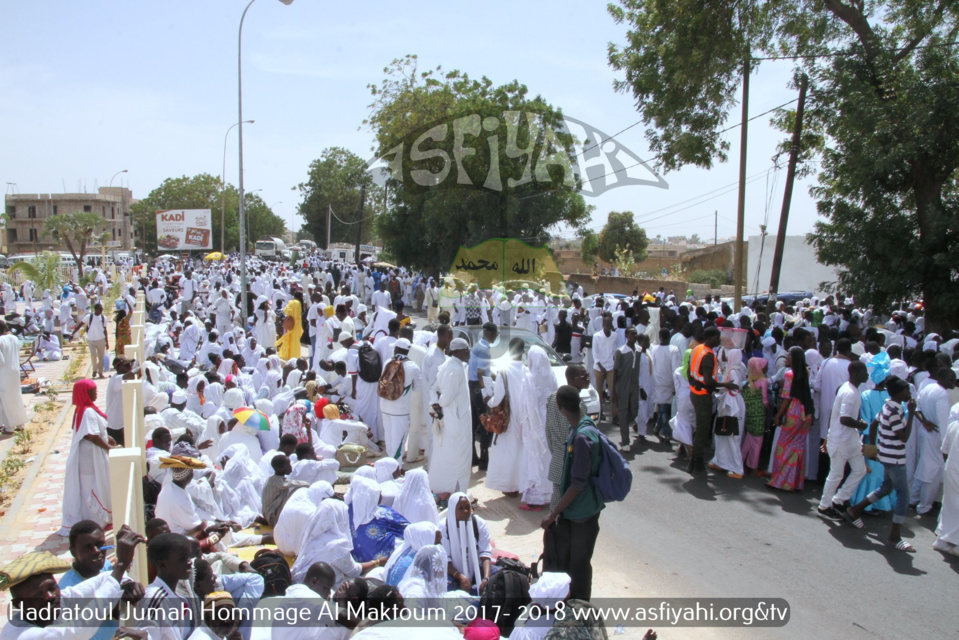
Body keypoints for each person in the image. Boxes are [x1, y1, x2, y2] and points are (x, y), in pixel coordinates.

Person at [2, 525, 145, 640]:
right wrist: (121, 565)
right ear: (19, 605)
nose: (50, 596)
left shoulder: (53, 603)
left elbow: (101, 579)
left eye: (52, 587)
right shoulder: (22, 635)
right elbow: (79, 630)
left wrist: (126, 583)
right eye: (39, 594)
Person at [540, 385, 604, 601]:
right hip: (586, 510)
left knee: (578, 565)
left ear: (560, 408)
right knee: (577, 562)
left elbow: (577, 484)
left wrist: (552, 514)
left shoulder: (580, 438)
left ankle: (580, 607)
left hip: (581, 514)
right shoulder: (585, 428)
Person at [845, 377, 917, 550]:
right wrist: (912, 412)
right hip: (895, 458)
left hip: (887, 455)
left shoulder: (888, 405)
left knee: (886, 488)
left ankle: (854, 510)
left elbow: (875, 423)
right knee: (903, 495)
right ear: (899, 393)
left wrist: (877, 446)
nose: (909, 394)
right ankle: (894, 537)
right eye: (907, 390)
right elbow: (904, 437)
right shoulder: (895, 410)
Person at [58, 520, 144, 640]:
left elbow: (116, 578)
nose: (97, 551)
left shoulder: (104, 565)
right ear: (73, 551)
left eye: (100, 544)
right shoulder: (68, 589)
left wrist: (128, 584)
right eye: (87, 548)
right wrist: (114, 611)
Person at [58, 379, 114, 536]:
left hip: (91, 453)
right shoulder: (87, 411)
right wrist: (109, 449)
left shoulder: (84, 409)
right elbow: (91, 436)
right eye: (92, 391)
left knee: (93, 484)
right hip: (90, 457)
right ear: (84, 393)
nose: (96, 393)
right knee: (92, 486)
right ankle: (96, 520)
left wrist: (107, 438)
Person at [817, 361, 870, 517]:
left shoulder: (852, 389)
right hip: (840, 439)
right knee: (836, 475)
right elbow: (844, 419)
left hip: (850, 439)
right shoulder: (849, 392)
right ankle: (824, 506)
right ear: (855, 373)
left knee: (860, 470)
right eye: (864, 372)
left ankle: (839, 499)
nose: (867, 375)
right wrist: (860, 425)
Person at [687, 327, 737, 473]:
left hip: (695, 392)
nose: (719, 340)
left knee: (700, 427)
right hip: (703, 395)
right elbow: (708, 380)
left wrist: (694, 383)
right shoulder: (708, 354)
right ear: (710, 338)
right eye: (717, 337)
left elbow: (691, 371)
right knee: (703, 429)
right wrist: (725, 385)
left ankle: (693, 462)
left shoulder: (697, 348)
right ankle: (697, 461)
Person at [429, 338, 473, 498]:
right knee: (459, 457)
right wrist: (439, 403)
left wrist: (437, 403)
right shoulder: (455, 368)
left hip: (451, 418)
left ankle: (446, 490)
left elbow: (435, 390)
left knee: (447, 454)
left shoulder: (451, 365)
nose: (468, 352)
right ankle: (456, 493)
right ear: (456, 352)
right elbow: (446, 397)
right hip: (456, 422)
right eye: (466, 349)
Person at [484, 338, 528, 498]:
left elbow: (498, 398)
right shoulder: (527, 370)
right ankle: (521, 484)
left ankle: (510, 487)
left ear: (509, 351)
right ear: (523, 352)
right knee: (521, 450)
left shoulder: (503, 372)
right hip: (523, 417)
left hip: (508, 418)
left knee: (508, 452)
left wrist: (487, 401)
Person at [769, 347, 816, 492]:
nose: (786, 357)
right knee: (797, 448)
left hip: (793, 413)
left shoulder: (789, 375)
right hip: (805, 413)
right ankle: (795, 482)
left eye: (789, 355)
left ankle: (781, 481)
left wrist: (778, 415)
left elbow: (787, 399)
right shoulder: (805, 372)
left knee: (783, 447)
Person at [545, 365, 589, 512]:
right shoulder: (579, 406)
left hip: (557, 462)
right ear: (574, 380)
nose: (588, 379)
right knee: (570, 511)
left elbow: (548, 434)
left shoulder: (552, 399)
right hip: (572, 467)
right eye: (584, 377)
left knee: (556, 508)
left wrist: (558, 453)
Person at [912, 368, 955, 516]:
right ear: (942, 378)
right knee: (933, 473)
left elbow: (916, 408)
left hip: (926, 433)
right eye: (951, 379)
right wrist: (946, 448)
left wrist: (924, 422)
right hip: (936, 436)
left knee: (923, 468)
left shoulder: (928, 387)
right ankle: (924, 506)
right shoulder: (942, 394)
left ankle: (913, 498)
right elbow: (943, 423)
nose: (953, 382)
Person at [520, 345, 557, 510]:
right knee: (547, 457)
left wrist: (529, 425)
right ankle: (549, 495)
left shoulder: (529, 377)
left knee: (535, 457)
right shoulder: (552, 375)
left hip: (535, 421)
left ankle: (536, 499)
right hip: (549, 419)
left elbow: (528, 404)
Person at [346, 476, 410, 564]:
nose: (381, 496)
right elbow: (409, 528)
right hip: (383, 562)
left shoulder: (347, 512)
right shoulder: (384, 514)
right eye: (378, 493)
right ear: (370, 496)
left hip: (357, 562)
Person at [379, 338, 422, 460]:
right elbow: (417, 389)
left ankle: (389, 465)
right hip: (401, 410)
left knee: (389, 438)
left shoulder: (387, 362)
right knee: (399, 441)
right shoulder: (413, 367)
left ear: (397, 349)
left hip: (385, 406)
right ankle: (395, 469)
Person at [441, 493, 492, 594]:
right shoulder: (443, 527)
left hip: (477, 568)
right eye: (460, 508)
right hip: (453, 573)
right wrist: (460, 577)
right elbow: (444, 559)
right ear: (452, 510)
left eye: (468, 507)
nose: (465, 511)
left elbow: (485, 552)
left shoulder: (479, 523)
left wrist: (486, 579)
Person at [708, 348, 746, 478]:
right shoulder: (737, 368)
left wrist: (721, 387)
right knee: (722, 435)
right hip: (729, 404)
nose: (723, 355)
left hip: (731, 406)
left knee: (730, 436)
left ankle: (736, 468)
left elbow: (733, 388)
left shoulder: (734, 371)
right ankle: (720, 461)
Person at [384, 522, 442, 586]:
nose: (441, 544)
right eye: (438, 540)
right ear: (426, 539)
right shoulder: (419, 560)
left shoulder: (406, 550)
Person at [261, 454, 310, 526]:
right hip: (272, 517)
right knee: (299, 489)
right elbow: (298, 484)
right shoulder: (277, 481)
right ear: (280, 469)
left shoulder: (274, 478)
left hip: (272, 513)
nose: (291, 467)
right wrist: (310, 485)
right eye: (288, 465)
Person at [612, 327, 640, 451]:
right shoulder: (620, 351)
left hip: (634, 385)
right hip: (622, 385)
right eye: (632, 334)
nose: (634, 336)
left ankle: (624, 425)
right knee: (623, 411)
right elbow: (615, 372)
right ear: (627, 335)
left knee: (634, 410)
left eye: (636, 334)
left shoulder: (638, 350)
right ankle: (625, 441)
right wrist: (613, 390)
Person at [741, 357, 769, 475]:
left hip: (749, 414)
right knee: (757, 440)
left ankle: (742, 461)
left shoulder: (748, 382)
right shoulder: (763, 381)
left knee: (749, 438)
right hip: (759, 414)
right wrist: (769, 409)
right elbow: (765, 400)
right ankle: (753, 466)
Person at [0, 319, 28, 434]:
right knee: (16, 397)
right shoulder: (14, 338)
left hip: (3, 374)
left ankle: (9, 427)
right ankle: (21, 424)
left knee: (5, 400)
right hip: (15, 372)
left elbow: (0, 361)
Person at [74, 302, 110, 378]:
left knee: (101, 357)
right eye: (100, 309)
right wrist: (73, 333)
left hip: (101, 339)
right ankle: (94, 370)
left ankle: (100, 372)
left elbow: (105, 330)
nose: (101, 310)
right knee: (93, 355)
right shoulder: (89, 317)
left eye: (102, 309)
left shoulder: (104, 318)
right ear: (96, 309)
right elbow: (80, 325)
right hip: (91, 340)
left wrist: (107, 342)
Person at [277, 291, 304, 360]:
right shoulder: (300, 303)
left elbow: (286, 310)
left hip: (291, 323)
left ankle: (290, 356)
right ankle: (296, 356)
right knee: (296, 341)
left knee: (290, 339)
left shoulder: (292, 302)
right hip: (298, 324)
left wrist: (290, 315)